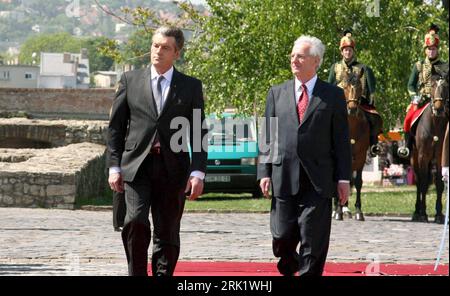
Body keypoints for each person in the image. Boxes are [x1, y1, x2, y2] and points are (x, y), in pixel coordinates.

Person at [107, 26, 207, 276]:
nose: (158, 51)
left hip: (173, 169)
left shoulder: (190, 86)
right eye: (155, 46)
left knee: (167, 231)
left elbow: (198, 131)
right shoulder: (130, 81)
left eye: (165, 48)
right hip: (136, 166)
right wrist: (114, 166)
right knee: (135, 221)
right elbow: (116, 128)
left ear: (177, 53)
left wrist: (198, 173)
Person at [258, 35, 351, 276]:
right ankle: (291, 265)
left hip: (318, 181)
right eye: (292, 56)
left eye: (300, 56)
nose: (294, 60)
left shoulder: (332, 95)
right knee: (281, 237)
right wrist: (264, 172)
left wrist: (343, 179)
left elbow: (341, 141)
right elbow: (267, 136)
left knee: (313, 241)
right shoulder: (276, 93)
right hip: (283, 177)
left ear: (316, 61)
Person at [328, 30, 383, 157]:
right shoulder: (335, 67)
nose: (347, 52)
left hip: (360, 102)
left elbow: (371, 87)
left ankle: (373, 144)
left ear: (353, 51)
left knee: (374, 118)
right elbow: (330, 85)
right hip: (339, 102)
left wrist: (371, 98)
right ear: (341, 52)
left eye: (350, 50)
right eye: (345, 50)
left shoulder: (363, 68)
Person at [398, 24, 447, 158]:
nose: (431, 51)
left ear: (437, 50)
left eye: (434, 49)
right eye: (429, 49)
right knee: (408, 118)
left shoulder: (445, 66)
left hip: (441, 100)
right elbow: (410, 85)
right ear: (425, 50)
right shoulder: (419, 65)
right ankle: (407, 146)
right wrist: (414, 97)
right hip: (423, 99)